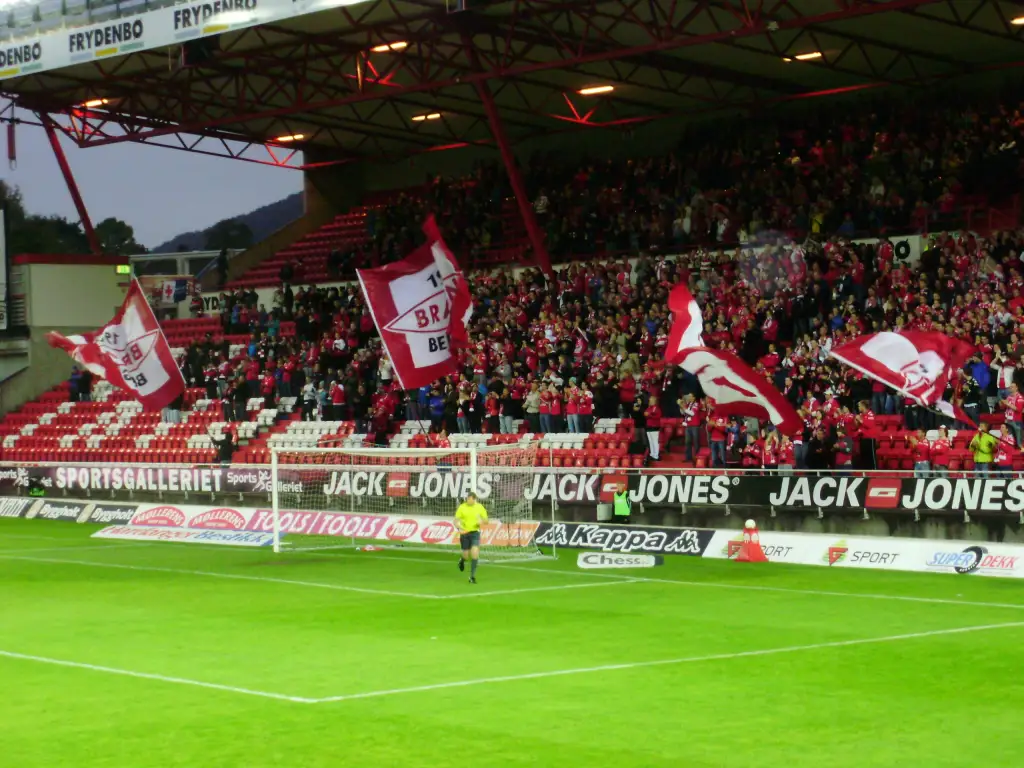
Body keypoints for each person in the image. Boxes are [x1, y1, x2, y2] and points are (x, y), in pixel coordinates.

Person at [454, 492, 488, 584]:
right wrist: (459, 527)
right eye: (467, 498)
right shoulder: (462, 507)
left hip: (475, 533)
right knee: (466, 554)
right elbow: (456, 520)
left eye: (469, 499)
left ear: (474, 499)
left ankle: (472, 577)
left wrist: (481, 521)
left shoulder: (479, 507)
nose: (468, 500)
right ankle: (462, 560)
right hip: (464, 533)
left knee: (475, 553)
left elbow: (486, 520)